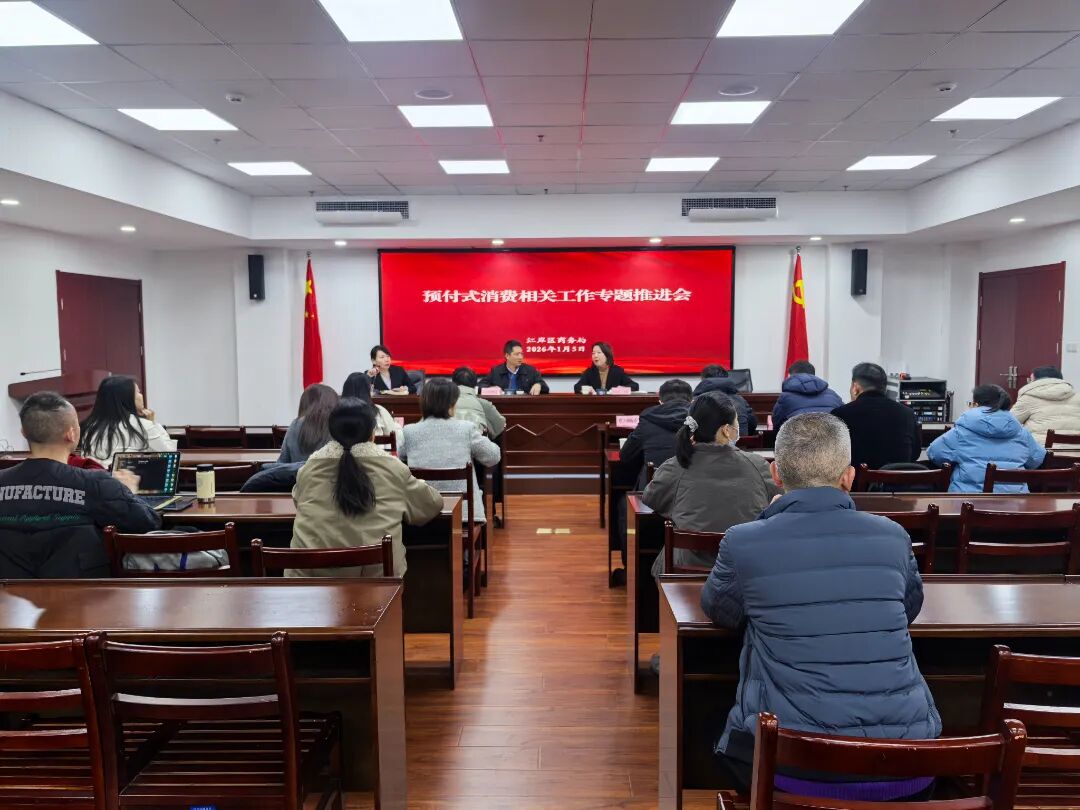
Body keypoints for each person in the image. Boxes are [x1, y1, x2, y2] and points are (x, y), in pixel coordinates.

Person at [702, 413, 940, 800]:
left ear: (776, 474)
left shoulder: (744, 541)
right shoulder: (894, 536)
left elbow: (721, 610)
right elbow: (909, 607)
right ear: (849, 477)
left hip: (792, 766)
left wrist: (768, 521)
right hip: (907, 764)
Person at [0, 391, 161, 578]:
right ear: (71, 434)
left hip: (9, 594)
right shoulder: (96, 483)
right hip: (82, 592)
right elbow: (147, 523)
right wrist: (129, 493)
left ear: (23, 433)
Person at [288, 398, 443, 578]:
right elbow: (431, 504)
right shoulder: (393, 469)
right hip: (378, 584)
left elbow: (298, 501)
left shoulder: (310, 468)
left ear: (332, 432)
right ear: (372, 433)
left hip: (310, 583)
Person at [643, 392, 779, 576]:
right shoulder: (757, 465)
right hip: (745, 570)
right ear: (726, 430)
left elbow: (651, 498)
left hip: (687, 573)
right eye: (736, 422)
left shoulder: (676, 466)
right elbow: (778, 502)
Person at [400, 378, 501, 523]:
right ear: (452, 404)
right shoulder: (466, 428)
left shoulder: (409, 431)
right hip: (463, 515)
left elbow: (400, 457)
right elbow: (493, 456)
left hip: (421, 516)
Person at [927, 384, 1046, 493]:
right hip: (1016, 503)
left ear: (976, 404)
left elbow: (934, 454)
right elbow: (1036, 459)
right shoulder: (1021, 432)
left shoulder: (961, 432)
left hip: (969, 502)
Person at [831, 362, 921, 469]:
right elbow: (914, 454)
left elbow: (833, 457)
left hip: (857, 479)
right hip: (899, 479)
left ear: (855, 388)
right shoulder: (907, 414)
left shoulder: (840, 414)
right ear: (885, 388)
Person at [78, 375, 176, 468]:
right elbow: (170, 454)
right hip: (128, 479)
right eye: (138, 392)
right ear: (127, 398)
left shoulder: (88, 427)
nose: (141, 396)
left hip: (96, 478)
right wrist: (153, 423)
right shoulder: (142, 425)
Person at [619, 379, 692, 490]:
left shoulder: (648, 418)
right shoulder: (699, 419)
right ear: (691, 400)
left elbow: (625, 455)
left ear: (660, 401)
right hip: (690, 490)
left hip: (653, 489)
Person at [1012, 365, 1080, 445]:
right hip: (1076, 449)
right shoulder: (1077, 396)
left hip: (1040, 450)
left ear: (1036, 381)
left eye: (1030, 379)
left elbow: (1008, 424)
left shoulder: (1028, 398)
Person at [772, 360, 843, 430]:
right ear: (813, 374)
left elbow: (777, 424)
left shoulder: (785, 397)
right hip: (830, 436)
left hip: (798, 436)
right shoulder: (833, 395)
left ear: (792, 376)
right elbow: (844, 418)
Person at [277, 383, 339, 464]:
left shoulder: (295, 425)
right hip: (331, 472)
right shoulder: (340, 426)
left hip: (298, 472)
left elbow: (282, 463)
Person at [342, 372, 404, 449]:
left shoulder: (336, 413)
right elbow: (397, 437)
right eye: (370, 387)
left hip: (344, 456)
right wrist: (397, 425)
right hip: (374, 455)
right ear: (366, 390)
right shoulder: (379, 410)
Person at [692, 365, 756, 436]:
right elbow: (752, 424)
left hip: (706, 443)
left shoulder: (696, 401)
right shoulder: (740, 399)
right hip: (740, 442)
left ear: (703, 379)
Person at [451, 367, 506, 438]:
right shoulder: (484, 404)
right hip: (475, 443)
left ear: (453, 383)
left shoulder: (443, 402)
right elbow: (500, 425)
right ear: (475, 384)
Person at [481, 340, 549, 395]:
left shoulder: (531, 371)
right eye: (517, 354)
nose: (520, 357)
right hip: (502, 406)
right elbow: (480, 386)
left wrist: (539, 384)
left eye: (521, 354)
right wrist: (492, 389)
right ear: (507, 356)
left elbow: (546, 388)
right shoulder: (496, 371)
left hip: (525, 406)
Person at [573, 342, 640, 394]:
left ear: (607, 355)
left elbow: (635, 386)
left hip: (613, 404)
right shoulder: (589, 372)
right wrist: (586, 388)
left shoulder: (617, 371)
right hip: (595, 404)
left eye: (599, 353)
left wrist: (619, 390)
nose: (595, 356)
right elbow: (577, 387)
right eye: (593, 353)